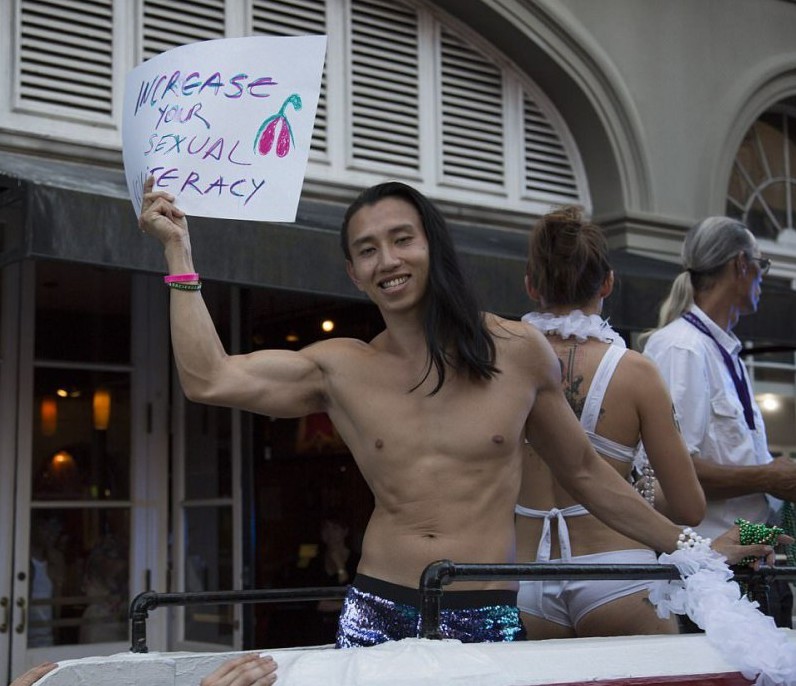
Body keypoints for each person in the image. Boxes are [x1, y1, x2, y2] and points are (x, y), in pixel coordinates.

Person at [139, 178, 773, 651]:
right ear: (355, 274)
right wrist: (178, 252)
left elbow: (585, 473)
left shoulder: (519, 352)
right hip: (378, 609)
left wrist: (694, 550)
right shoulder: (339, 366)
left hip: (487, 612)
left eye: (401, 239)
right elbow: (208, 377)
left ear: (432, 247)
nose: (388, 260)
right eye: (367, 250)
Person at [515, 206, 706, 639]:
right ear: (607, 282)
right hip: (617, 571)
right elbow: (689, 508)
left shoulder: (499, 364)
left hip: (524, 574)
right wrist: (638, 486)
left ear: (530, 285)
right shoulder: (636, 372)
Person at [643, 216, 796, 628]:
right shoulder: (682, 348)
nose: (762, 277)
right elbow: (673, 474)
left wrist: (772, 477)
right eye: (762, 266)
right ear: (740, 265)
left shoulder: (721, 350)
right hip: (711, 570)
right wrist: (768, 476)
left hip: (749, 563)